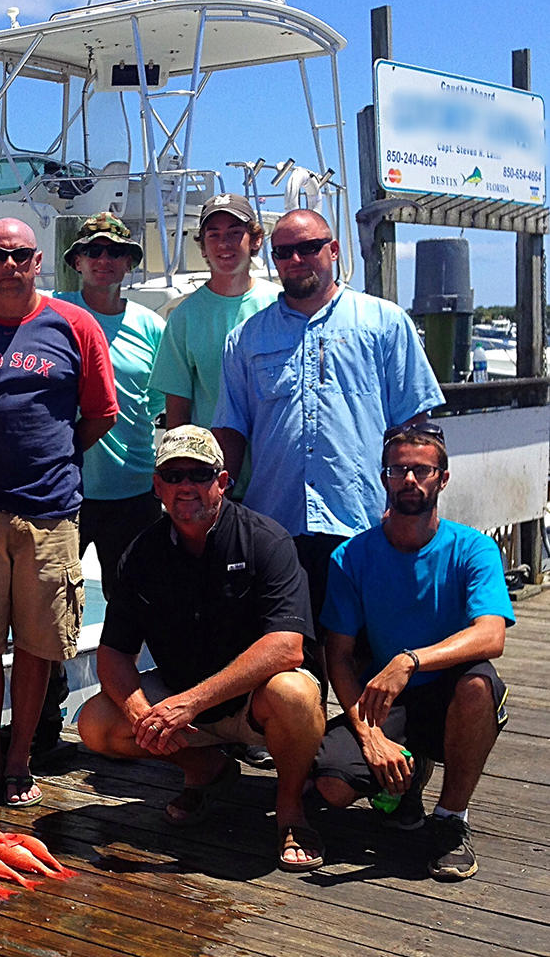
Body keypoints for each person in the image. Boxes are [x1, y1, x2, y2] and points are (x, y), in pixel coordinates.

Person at [0, 216, 118, 807]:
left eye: (21, 255)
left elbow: (99, 414)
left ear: (39, 263)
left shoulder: (77, 326)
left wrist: (46, 461)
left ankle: (19, 758)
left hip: (52, 510)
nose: (9, 265)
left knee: (39, 642)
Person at [78, 425, 327, 870]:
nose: (186, 486)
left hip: (254, 704)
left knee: (297, 695)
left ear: (223, 482)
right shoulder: (140, 554)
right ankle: (205, 770)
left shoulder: (266, 540)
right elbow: (114, 654)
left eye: (200, 474)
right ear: (157, 487)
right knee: (96, 723)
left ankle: (290, 809)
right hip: (184, 708)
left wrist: (188, 704)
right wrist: (142, 715)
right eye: (173, 476)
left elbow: (288, 646)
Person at [211, 208, 444, 630]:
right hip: (276, 529)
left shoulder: (386, 322)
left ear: (333, 250)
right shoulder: (245, 338)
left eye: (308, 248)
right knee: (291, 666)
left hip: (367, 523)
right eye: (284, 252)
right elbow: (230, 432)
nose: (296, 259)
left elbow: (414, 428)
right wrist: (219, 510)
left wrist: (408, 508)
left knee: (373, 662)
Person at [313, 424, 511, 881]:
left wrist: (410, 660)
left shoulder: (474, 548)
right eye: (397, 469)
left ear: (442, 478)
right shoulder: (350, 557)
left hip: (449, 696)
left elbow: (491, 636)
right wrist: (368, 736)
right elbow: (337, 656)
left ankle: (450, 821)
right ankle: (406, 781)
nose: (408, 480)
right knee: (330, 786)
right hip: (388, 704)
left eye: (421, 471)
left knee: (480, 682)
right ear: (383, 477)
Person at [53, 212, 166, 589]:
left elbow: (157, 400)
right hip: (65, 489)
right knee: (48, 605)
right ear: (77, 262)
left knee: (136, 608)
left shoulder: (151, 326)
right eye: (93, 251)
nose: (104, 259)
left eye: (115, 252)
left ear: (129, 263)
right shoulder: (52, 309)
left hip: (135, 494)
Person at [149, 192, 280, 500]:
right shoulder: (182, 317)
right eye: (215, 235)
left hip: (277, 479)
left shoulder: (280, 306)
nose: (225, 244)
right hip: (214, 488)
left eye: (236, 233)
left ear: (256, 240)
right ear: (204, 246)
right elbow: (177, 413)